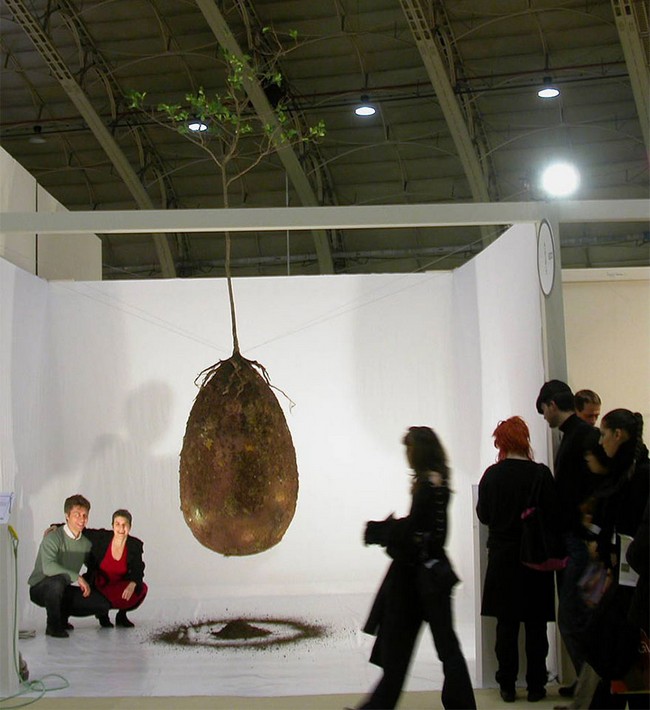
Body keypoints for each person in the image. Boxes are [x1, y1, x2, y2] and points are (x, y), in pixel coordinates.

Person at [353, 426, 476, 710]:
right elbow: (424, 531)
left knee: (404, 652)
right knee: (440, 648)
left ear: (420, 452)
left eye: (409, 449)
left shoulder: (428, 485)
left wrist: (384, 532)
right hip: (430, 577)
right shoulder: (437, 481)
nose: (407, 455)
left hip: (419, 580)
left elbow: (417, 531)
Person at [476, 416, 559, 703]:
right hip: (535, 556)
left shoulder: (492, 475)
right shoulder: (541, 474)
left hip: (503, 557)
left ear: (501, 442)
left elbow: (484, 515)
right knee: (536, 625)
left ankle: (507, 684)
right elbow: (553, 514)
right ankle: (536, 684)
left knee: (507, 625)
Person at [536, 380, 599, 697]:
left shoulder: (580, 437)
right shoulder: (576, 436)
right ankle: (589, 685)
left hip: (580, 541)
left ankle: (593, 689)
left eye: (544, 411)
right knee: (577, 616)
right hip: (578, 539)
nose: (545, 417)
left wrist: (587, 527)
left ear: (551, 405)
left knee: (574, 617)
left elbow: (589, 490)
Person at [583, 409, 649, 709]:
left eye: (603, 434)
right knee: (613, 652)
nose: (601, 441)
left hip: (631, 580)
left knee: (619, 652)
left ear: (618, 435)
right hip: (620, 574)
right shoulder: (623, 473)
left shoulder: (640, 474)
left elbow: (635, 533)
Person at [28, 494, 110, 638]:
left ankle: (62, 616)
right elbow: (48, 567)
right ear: (67, 516)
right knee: (57, 581)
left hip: (62, 588)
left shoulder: (85, 543)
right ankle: (53, 626)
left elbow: (93, 565)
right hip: (41, 587)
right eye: (77, 515)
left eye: (85, 515)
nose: (82, 519)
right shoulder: (53, 537)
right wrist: (77, 577)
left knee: (102, 604)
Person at [83, 509, 148, 628]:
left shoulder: (134, 545)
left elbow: (138, 567)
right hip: (100, 584)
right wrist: (56, 527)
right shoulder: (102, 538)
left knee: (141, 589)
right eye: (117, 524)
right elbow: (81, 531)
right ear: (112, 525)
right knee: (100, 599)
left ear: (130, 526)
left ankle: (122, 615)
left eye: (125, 524)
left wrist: (132, 583)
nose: (121, 528)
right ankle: (103, 614)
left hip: (119, 585)